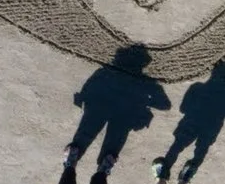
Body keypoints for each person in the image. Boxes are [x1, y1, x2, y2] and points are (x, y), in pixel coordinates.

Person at [66, 42, 170, 171]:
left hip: (100, 105)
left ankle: (72, 161)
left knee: (87, 132)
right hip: (124, 111)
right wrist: (145, 101)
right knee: (113, 139)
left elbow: (88, 87)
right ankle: (102, 168)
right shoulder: (145, 82)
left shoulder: (105, 71)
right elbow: (165, 105)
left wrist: (84, 99)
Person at [153, 60, 225, 184]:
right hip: (212, 125)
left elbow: (183, 108)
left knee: (178, 144)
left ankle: (164, 174)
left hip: (191, 121)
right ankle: (189, 173)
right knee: (202, 147)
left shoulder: (197, 87)